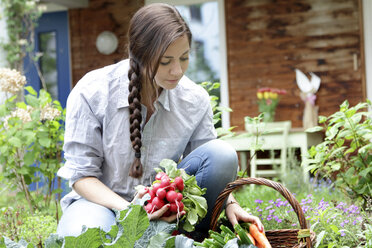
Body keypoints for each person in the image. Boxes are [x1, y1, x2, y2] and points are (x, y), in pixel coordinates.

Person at [56, 3, 263, 238]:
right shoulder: (92, 91)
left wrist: (231, 204)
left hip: (167, 208)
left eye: (184, 58)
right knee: (78, 235)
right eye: (166, 61)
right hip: (101, 205)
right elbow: (82, 176)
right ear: (139, 54)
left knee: (223, 154)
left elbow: (211, 165)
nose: (177, 71)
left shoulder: (194, 99)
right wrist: (134, 213)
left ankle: (174, 235)